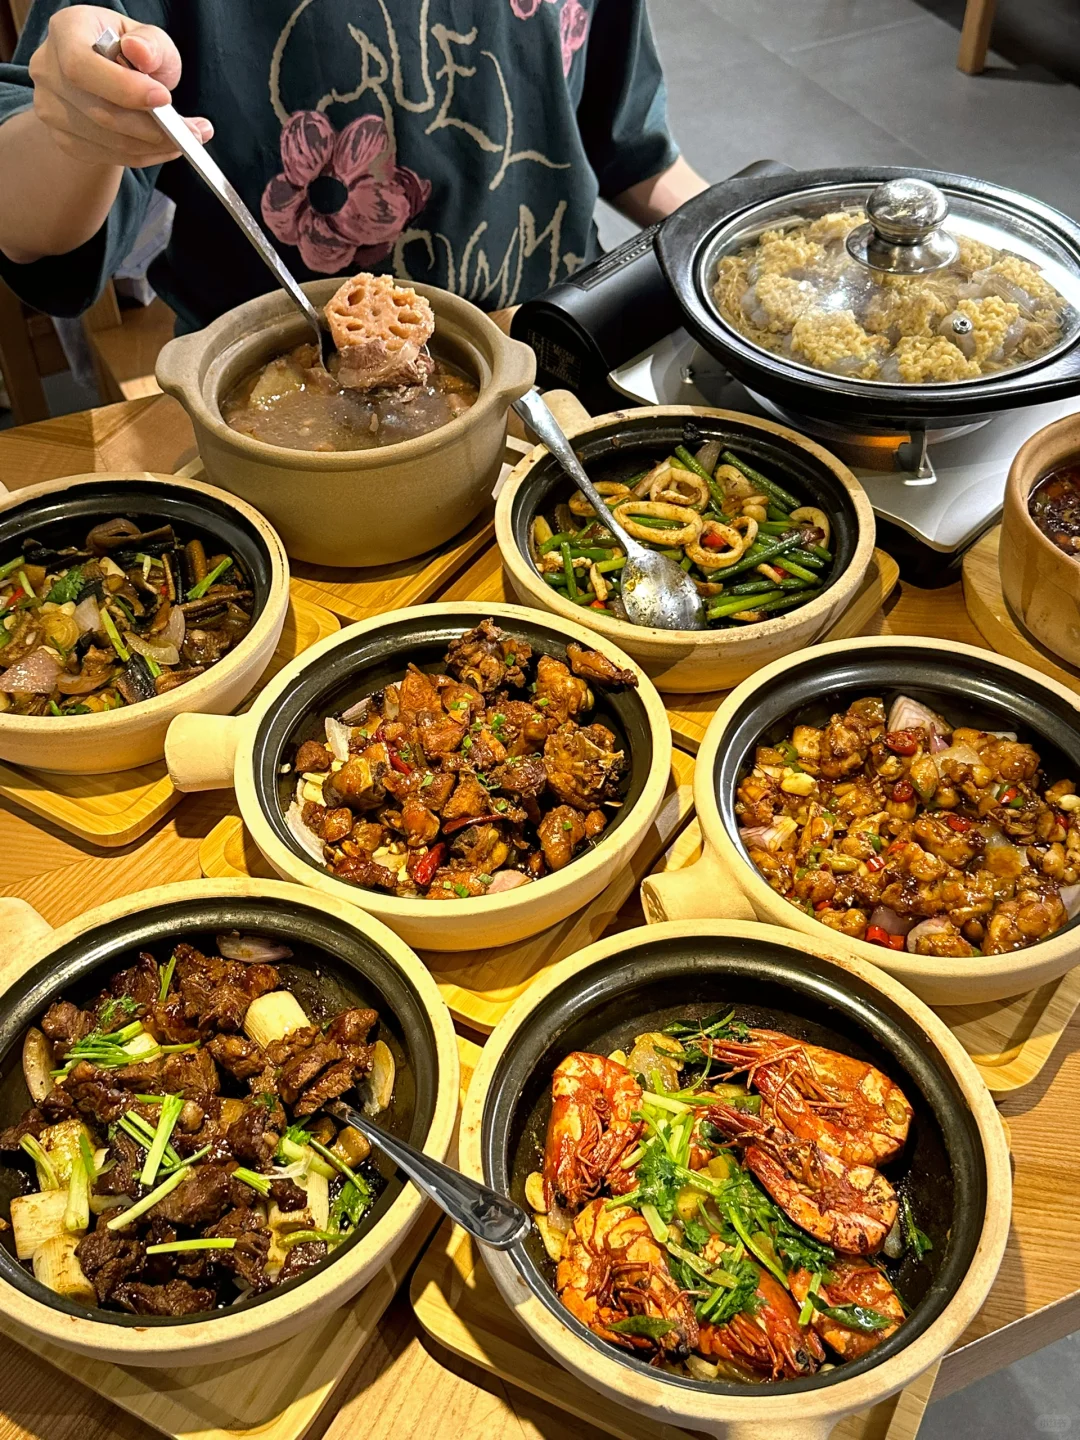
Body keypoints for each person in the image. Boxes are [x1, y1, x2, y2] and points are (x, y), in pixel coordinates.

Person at [0, 1, 707, 332]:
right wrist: (77, 127)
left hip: (559, 340)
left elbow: (630, 148)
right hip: (279, 386)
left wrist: (745, 238)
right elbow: (29, 234)